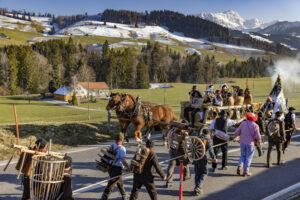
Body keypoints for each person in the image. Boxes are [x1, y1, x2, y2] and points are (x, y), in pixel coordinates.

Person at [101, 133, 130, 200]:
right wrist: (128, 167)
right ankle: (104, 197)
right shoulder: (122, 148)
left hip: (110, 166)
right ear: (122, 139)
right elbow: (123, 160)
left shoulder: (112, 145)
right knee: (112, 183)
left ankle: (124, 196)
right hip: (117, 168)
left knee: (119, 182)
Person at [192, 129, 217, 196]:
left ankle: (196, 187)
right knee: (204, 172)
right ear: (208, 134)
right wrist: (214, 158)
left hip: (195, 157)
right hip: (203, 158)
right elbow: (211, 150)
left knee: (197, 173)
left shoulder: (197, 138)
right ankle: (199, 187)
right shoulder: (208, 140)